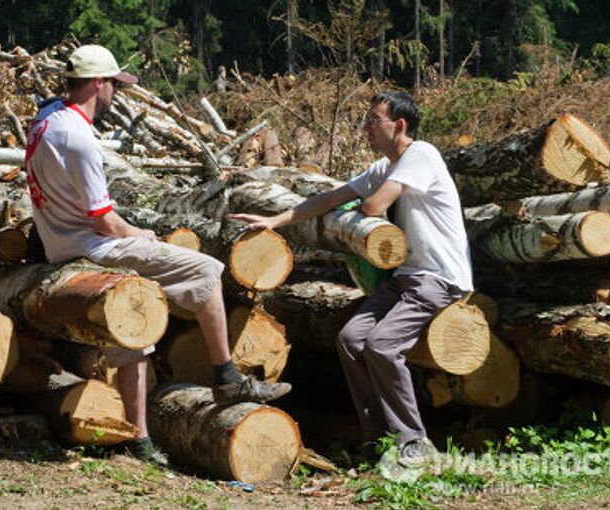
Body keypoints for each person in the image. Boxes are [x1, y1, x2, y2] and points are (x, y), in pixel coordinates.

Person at [24, 45, 291, 465]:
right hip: (94, 245)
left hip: (61, 243)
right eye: (114, 84)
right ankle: (227, 378)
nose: (116, 94)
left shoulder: (46, 120)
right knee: (207, 270)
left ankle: (140, 442)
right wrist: (142, 234)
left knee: (133, 330)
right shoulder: (79, 140)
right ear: (98, 83)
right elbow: (105, 221)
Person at [230, 90, 473, 467]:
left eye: (373, 120)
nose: (365, 128)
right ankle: (377, 438)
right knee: (350, 339)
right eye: (366, 120)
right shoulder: (382, 167)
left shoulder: (421, 154)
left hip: (439, 278)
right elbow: (328, 199)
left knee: (381, 346)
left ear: (400, 125)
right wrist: (275, 221)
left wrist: (363, 208)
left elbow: (375, 206)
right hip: (407, 278)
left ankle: (414, 441)